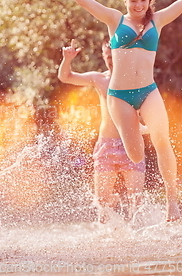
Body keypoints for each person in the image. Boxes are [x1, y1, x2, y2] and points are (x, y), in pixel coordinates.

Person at [47, 0, 182, 221]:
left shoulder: (158, 21)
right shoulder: (114, 20)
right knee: (136, 153)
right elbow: (83, 0)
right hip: (119, 97)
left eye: (143, 0)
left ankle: (172, 205)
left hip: (148, 90)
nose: (138, 4)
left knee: (162, 141)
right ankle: (142, 129)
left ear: (150, 0)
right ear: (126, 1)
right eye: (133, 0)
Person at [59, 39, 146, 223]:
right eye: (107, 56)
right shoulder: (100, 79)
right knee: (102, 203)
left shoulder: (138, 79)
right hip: (107, 145)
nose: (111, 60)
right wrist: (67, 59)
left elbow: (147, 112)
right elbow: (65, 77)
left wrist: (150, 130)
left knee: (136, 201)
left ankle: (137, 239)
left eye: (115, 56)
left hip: (132, 146)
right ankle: (107, 236)